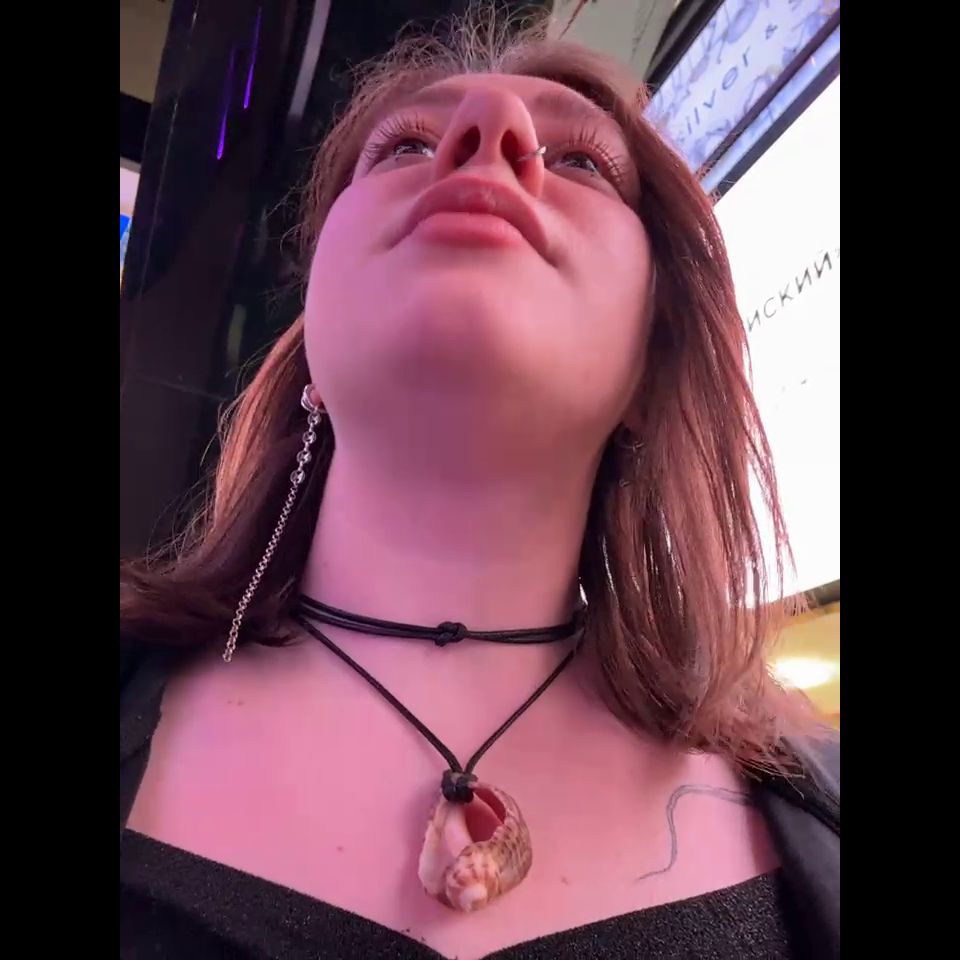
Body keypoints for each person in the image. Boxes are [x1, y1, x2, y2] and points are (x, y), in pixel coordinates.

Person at [120, 7, 839, 959]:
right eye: (404, 147)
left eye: (582, 162)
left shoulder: (815, 804)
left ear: (652, 367)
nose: (488, 130)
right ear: (311, 345)